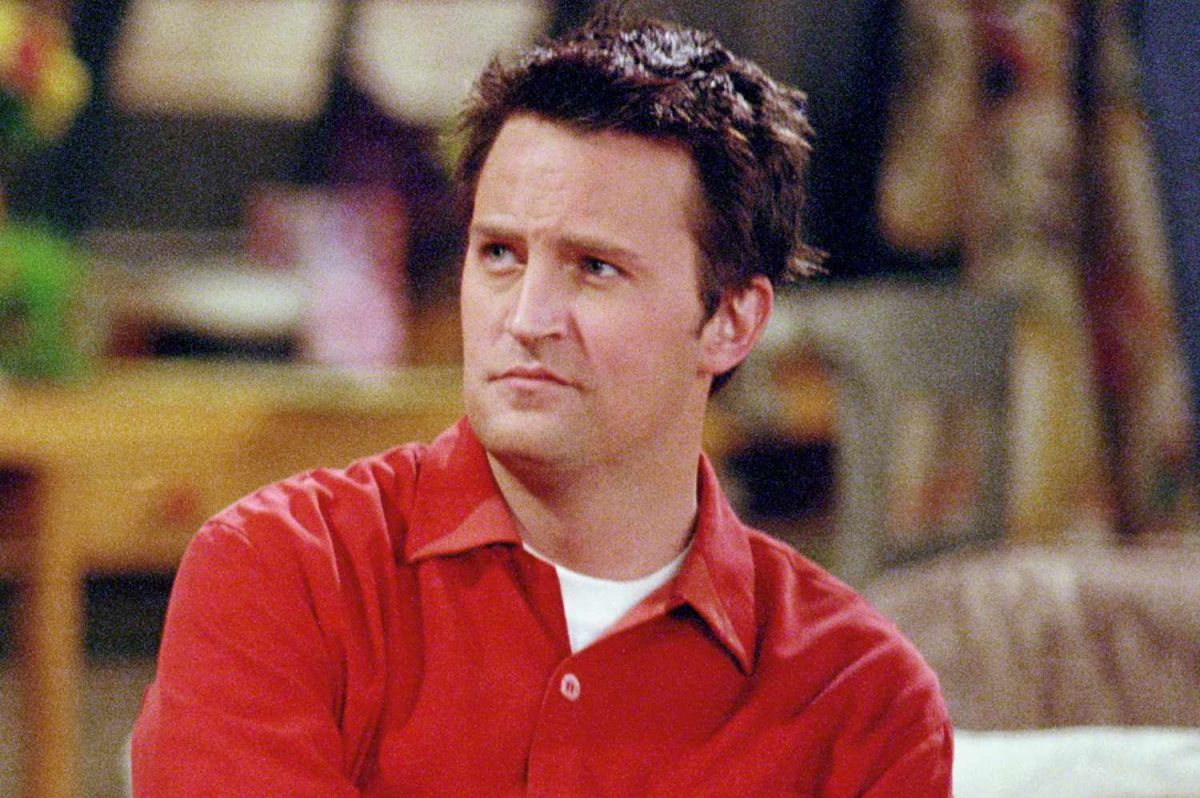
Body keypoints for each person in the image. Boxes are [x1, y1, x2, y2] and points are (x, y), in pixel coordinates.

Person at [132, 7, 953, 796]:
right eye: (500, 254)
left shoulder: (860, 701)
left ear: (731, 322)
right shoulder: (282, 577)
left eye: (595, 268)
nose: (526, 319)